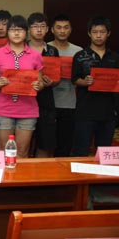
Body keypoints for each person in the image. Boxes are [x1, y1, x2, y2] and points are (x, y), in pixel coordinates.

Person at [0, 15, 43, 158]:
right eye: (13, 30)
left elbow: (40, 82)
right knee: (3, 151)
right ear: (7, 32)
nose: (17, 33)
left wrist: (38, 85)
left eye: (20, 30)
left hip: (28, 109)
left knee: (22, 152)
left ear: (26, 32)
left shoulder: (36, 55)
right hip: (4, 108)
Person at [71, 16, 119, 156]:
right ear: (89, 33)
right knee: (81, 150)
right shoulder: (80, 56)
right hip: (86, 111)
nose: (99, 35)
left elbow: (118, 79)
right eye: (95, 32)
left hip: (108, 111)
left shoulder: (114, 57)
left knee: (104, 152)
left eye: (102, 32)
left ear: (108, 33)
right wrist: (84, 82)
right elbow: (74, 79)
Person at [48, 14, 83, 157]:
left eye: (66, 27)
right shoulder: (46, 49)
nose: (62, 31)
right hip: (49, 102)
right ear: (52, 30)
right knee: (47, 143)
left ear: (71, 30)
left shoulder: (78, 51)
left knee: (65, 143)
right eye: (59, 27)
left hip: (70, 102)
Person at [27, 12, 59, 157]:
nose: (39, 30)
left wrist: (52, 82)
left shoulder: (52, 51)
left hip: (46, 100)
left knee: (44, 142)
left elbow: (57, 78)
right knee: (24, 142)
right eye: (35, 26)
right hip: (25, 100)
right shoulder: (22, 48)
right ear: (29, 29)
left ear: (47, 29)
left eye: (42, 26)